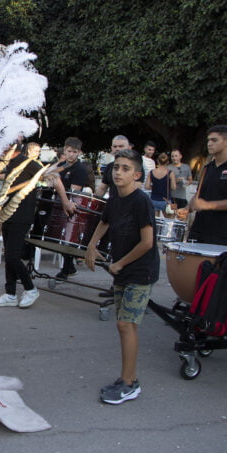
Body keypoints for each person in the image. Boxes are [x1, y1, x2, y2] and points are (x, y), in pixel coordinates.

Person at [86, 149, 159, 405]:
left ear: (137, 175)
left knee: (125, 325)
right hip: (123, 269)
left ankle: (129, 383)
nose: (118, 172)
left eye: (125, 168)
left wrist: (120, 264)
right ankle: (128, 377)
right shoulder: (115, 197)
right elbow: (104, 222)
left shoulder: (141, 201)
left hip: (140, 271)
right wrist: (92, 246)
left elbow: (147, 242)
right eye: (116, 167)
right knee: (126, 324)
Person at [0, 142, 75, 308]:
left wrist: (65, 202)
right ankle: (10, 294)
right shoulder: (9, 163)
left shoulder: (28, 163)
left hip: (22, 215)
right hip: (8, 214)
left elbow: (55, 178)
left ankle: (30, 288)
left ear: (11, 147)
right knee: (9, 256)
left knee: (13, 256)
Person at [188, 125, 227, 245]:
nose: (209, 144)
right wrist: (187, 208)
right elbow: (199, 195)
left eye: (214, 140)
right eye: (208, 140)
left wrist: (209, 205)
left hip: (221, 234)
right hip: (198, 231)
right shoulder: (207, 168)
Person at [55, 136, 88, 280]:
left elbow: (74, 192)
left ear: (79, 153)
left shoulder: (79, 169)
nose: (71, 154)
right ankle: (69, 267)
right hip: (57, 202)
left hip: (70, 204)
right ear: (65, 150)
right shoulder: (60, 165)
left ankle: (67, 268)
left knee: (66, 236)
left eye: (74, 152)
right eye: (69, 151)